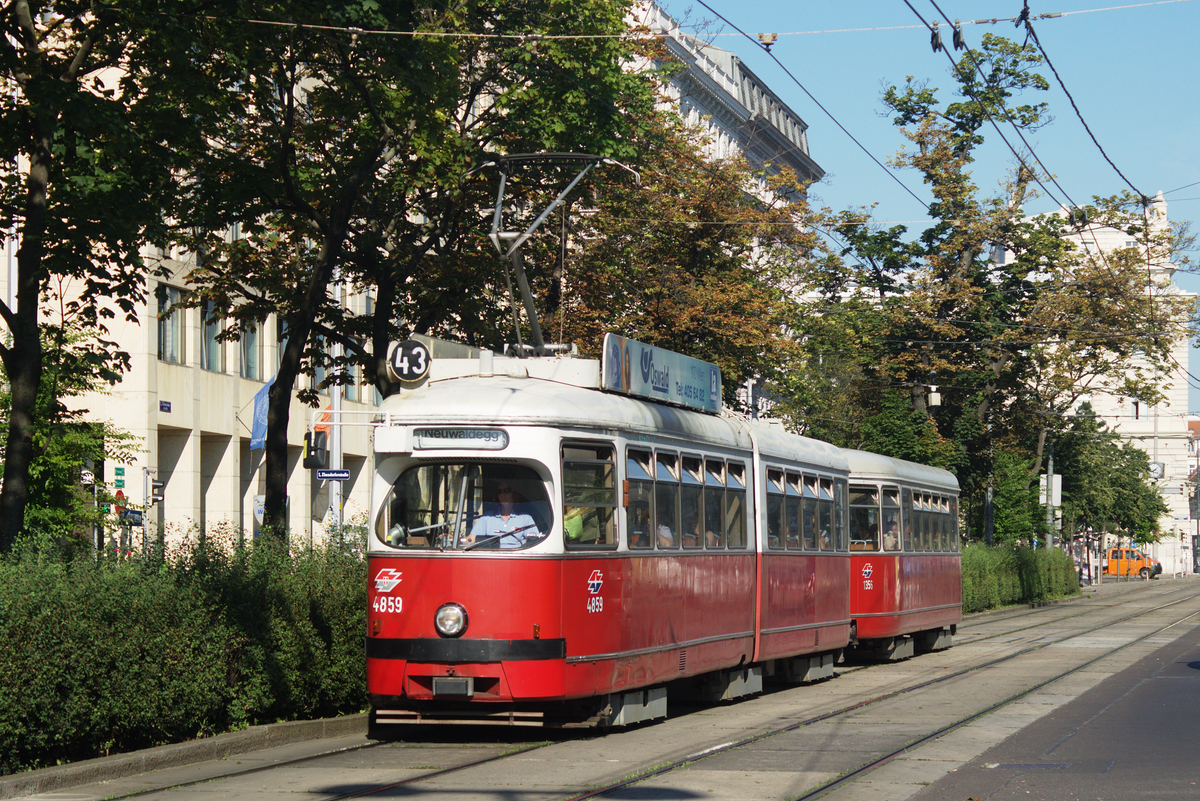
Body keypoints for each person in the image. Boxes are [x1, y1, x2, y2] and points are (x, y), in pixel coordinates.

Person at [467, 484, 539, 548]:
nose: (502, 494)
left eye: (506, 491)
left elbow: (534, 540)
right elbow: (472, 538)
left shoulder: (525, 518)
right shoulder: (487, 517)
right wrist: (460, 541)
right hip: (492, 557)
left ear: (514, 494)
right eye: (499, 492)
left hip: (517, 557)